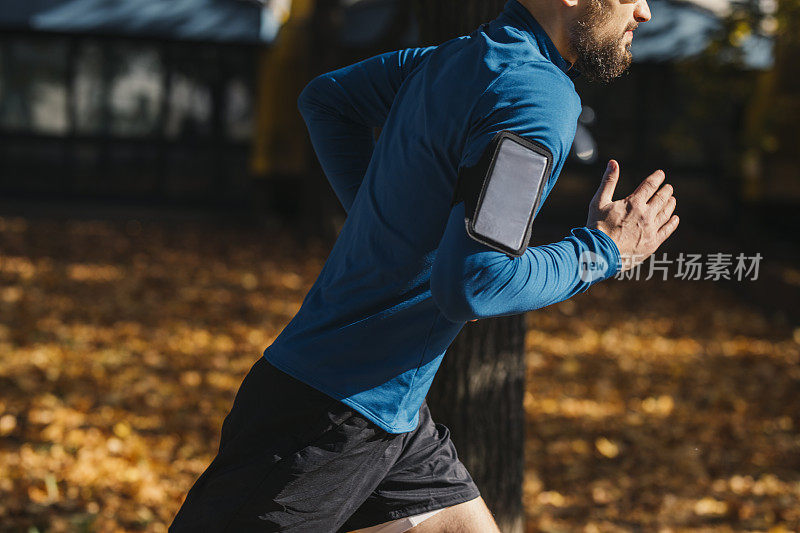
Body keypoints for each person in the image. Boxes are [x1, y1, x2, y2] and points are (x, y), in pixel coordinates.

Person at [170, 0, 678, 530]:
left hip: (391, 410)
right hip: (327, 414)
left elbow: (327, 100)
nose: (643, 12)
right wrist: (602, 251)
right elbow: (476, 283)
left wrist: (394, 230)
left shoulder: (449, 62)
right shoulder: (535, 94)